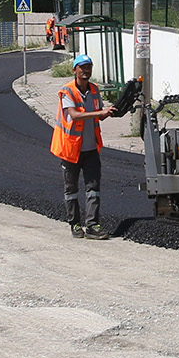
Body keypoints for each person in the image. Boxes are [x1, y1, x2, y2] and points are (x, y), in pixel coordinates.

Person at [52, 53, 115, 238]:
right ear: (75, 70)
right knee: (71, 190)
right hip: (70, 149)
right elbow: (74, 115)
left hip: (90, 148)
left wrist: (108, 112)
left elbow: (99, 114)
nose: (86, 70)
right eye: (82, 67)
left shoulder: (95, 90)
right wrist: (99, 113)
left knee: (93, 188)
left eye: (88, 67)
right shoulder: (68, 91)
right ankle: (75, 224)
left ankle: (93, 225)